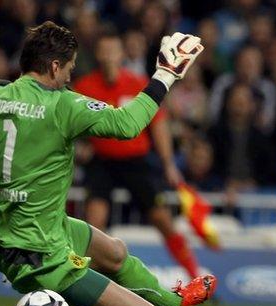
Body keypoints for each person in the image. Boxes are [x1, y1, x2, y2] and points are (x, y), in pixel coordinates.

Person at [0, 21, 216, 306]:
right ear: (53, 66)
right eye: (69, 68)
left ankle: (172, 305)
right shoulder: (62, 105)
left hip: (27, 232)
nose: (70, 77)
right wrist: (166, 74)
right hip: (42, 256)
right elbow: (127, 124)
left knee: (115, 252)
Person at [74, 30, 202, 282]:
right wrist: (81, 145)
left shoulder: (138, 83)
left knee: (163, 220)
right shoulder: (84, 86)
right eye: (105, 49)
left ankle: (195, 276)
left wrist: (168, 164)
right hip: (102, 162)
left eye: (114, 49)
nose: (109, 55)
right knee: (94, 221)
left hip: (136, 161)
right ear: (98, 54)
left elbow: (159, 125)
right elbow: (72, 124)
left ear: (122, 54)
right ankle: (87, 281)